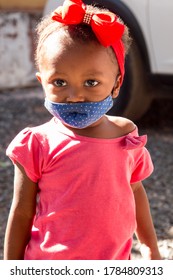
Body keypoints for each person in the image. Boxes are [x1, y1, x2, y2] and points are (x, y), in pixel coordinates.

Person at [4, 0, 161, 260]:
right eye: (60, 82)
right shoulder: (36, 143)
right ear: (42, 82)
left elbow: (135, 191)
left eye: (91, 82)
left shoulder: (126, 137)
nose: (75, 96)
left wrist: (151, 247)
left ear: (116, 83)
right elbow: (21, 212)